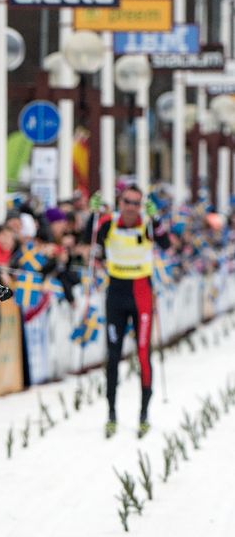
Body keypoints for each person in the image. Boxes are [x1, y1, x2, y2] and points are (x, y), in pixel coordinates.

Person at [91, 184, 169, 438]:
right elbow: (88, 239)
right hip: (116, 291)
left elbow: (165, 242)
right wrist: (91, 216)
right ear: (120, 202)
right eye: (127, 202)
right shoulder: (108, 222)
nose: (132, 207)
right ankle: (111, 414)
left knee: (144, 354)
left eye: (137, 203)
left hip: (142, 293)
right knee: (113, 355)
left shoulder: (146, 224)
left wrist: (156, 218)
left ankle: (144, 414)